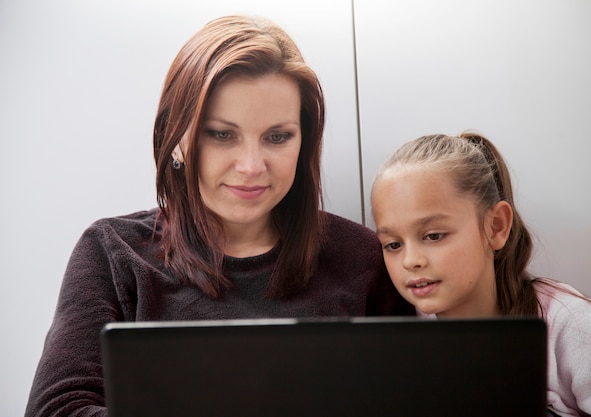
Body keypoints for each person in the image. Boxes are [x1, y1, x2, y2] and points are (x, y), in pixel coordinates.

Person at [25, 15, 413, 417]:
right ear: (175, 138)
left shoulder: (364, 258)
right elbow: (56, 409)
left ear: (304, 141)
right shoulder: (112, 252)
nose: (251, 166)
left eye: (277, 137)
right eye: (222, 135)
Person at [370, 132, 591, 417]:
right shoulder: (401, 339)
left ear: (496, 227)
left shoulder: (570, 326)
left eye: (433, 236)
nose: (411, 261)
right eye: (393, 244)